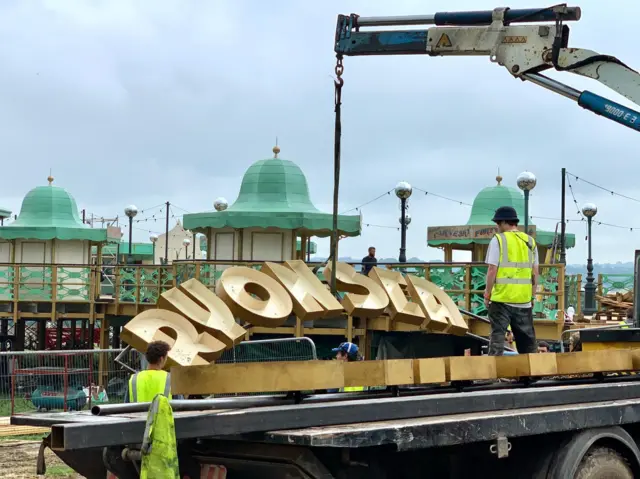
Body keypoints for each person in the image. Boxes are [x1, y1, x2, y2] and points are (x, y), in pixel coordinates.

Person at [484, 206, 539, 355]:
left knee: (497, 338)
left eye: (497, 223)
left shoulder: (498, 240)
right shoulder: (530, 241)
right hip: (523, 300)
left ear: (503, 222)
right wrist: (532, 296)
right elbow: (535, 272)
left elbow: (492, 269)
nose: (497, 226)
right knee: (527, 340)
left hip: (501, 299)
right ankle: (530, 374)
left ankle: (493, 374)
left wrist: (487, 294)